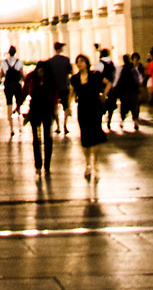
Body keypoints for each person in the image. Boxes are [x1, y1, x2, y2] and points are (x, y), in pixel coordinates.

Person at [73, 52, 108, 187]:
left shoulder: (95, 75)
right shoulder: (75, 78)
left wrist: (103, 95)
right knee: (85, 136)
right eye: (78, 62)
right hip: (83, 109)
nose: (80, 64)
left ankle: (95, 163)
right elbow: (72, 92)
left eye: (82, 61)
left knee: (95, 136)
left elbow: (108, 83)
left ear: (87, 63)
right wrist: (68, 106)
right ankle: (87, 163)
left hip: (94, 108)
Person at [26, 59, 57, 175]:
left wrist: (55, 109)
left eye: (42, 71)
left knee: (47, 137)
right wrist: (18, 105)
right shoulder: (31, 78)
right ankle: (38, 163)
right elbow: (25, 91)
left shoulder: (51, 79)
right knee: (36, 138)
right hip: (35, 109)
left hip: (47, 109)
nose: (40, 73)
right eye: (39, 70)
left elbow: (55, 94)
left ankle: (47, 164)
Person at [47, 39, 73, 136]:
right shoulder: (66, 60)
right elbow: (70, 72)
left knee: (55, 107)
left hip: (54, 88)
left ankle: (58, 126)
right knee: (66, 107)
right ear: (61, 49)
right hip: (64, 86)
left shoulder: (50, 61)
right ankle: (65, 125)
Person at [114, 51, 142, 133]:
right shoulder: (134, 68)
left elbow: (117, 80)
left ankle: (122, 122)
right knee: (134, 107)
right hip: (133, 91)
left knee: (124, 108)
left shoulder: (121, 69)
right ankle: (135, 122)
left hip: (124, 92)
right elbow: (139, 79)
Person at [3, 48, 25, 127]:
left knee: (9, 104)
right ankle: (19, 124)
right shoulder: (19, 62)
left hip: (8, 86)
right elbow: (22, 74)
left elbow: (1, 74)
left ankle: (11, 127)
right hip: (17, 85)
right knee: (18, 103)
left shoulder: (4, 62)